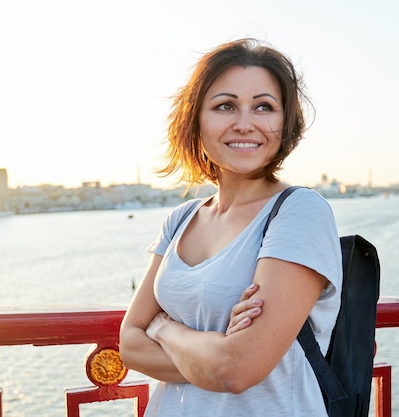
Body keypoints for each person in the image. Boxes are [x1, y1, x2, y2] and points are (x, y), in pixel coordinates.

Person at [119, 38, 342, 417]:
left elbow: (237, 370)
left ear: (286, 123)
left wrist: (164, 330)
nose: (245, 123)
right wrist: (216, 352)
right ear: (196, 120)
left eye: (264, 107)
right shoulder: (182, 219)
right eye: (225, 106)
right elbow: (129, 344)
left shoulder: (299, 211)